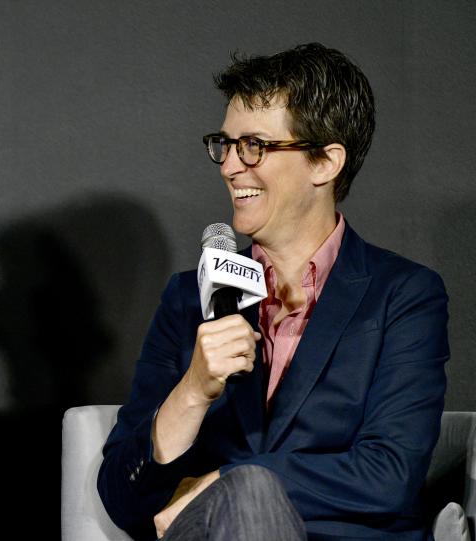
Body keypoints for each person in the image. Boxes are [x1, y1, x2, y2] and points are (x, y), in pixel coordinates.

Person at [97, 43, 449, 540]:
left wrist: (228, 482)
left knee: (252, 491)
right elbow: (122, 494)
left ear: (325, 162)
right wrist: (194, 390)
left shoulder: (403, 295)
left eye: (254, 146)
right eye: (226, 144)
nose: (229, 167)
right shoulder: (187, 298)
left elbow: (388, 475)